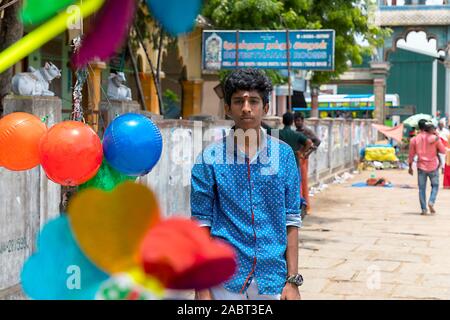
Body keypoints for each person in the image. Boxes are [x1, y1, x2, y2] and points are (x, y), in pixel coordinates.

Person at [191, 69, 303, 300]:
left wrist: (292, 281)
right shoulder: (209, 158)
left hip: (273, 278)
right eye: (238, 101)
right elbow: (201, 224)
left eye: (253, 100)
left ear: (266, 107)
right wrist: (201, 289)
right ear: (227, 108)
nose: (246, 108)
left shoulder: (283, 155)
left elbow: (291, 220)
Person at [408, 119, 446, 215]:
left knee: (421, 189)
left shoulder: (414, 139)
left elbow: (411, 155)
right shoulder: (434, 138)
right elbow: (442, 151)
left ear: (418, 127)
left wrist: (410, 167)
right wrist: (437, 136)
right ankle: (431, 201)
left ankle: (424, 209)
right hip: (433, 166)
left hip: (421, 166)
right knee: (435, 186)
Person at [294, 112, 321, 214]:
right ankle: (301, 205)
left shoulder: (307, 131)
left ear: (302, 121)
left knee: (304, 182)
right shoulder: (295, 132)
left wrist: (308, 153)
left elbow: (317, 141)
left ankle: (307, 207)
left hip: (303, 159)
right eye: (296, 121)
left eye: (299, 120)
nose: (297, 122)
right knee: (298, 183)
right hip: (297, 159)